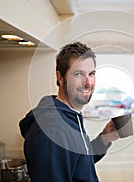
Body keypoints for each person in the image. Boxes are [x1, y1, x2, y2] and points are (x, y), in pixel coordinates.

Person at [19, 42, 120, 182]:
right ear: (60, 77)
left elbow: (81, 161)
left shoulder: (70, 115)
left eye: (91, 74)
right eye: (78, 74)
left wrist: (105, 137)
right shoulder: (52, 131)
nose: (88, 83)